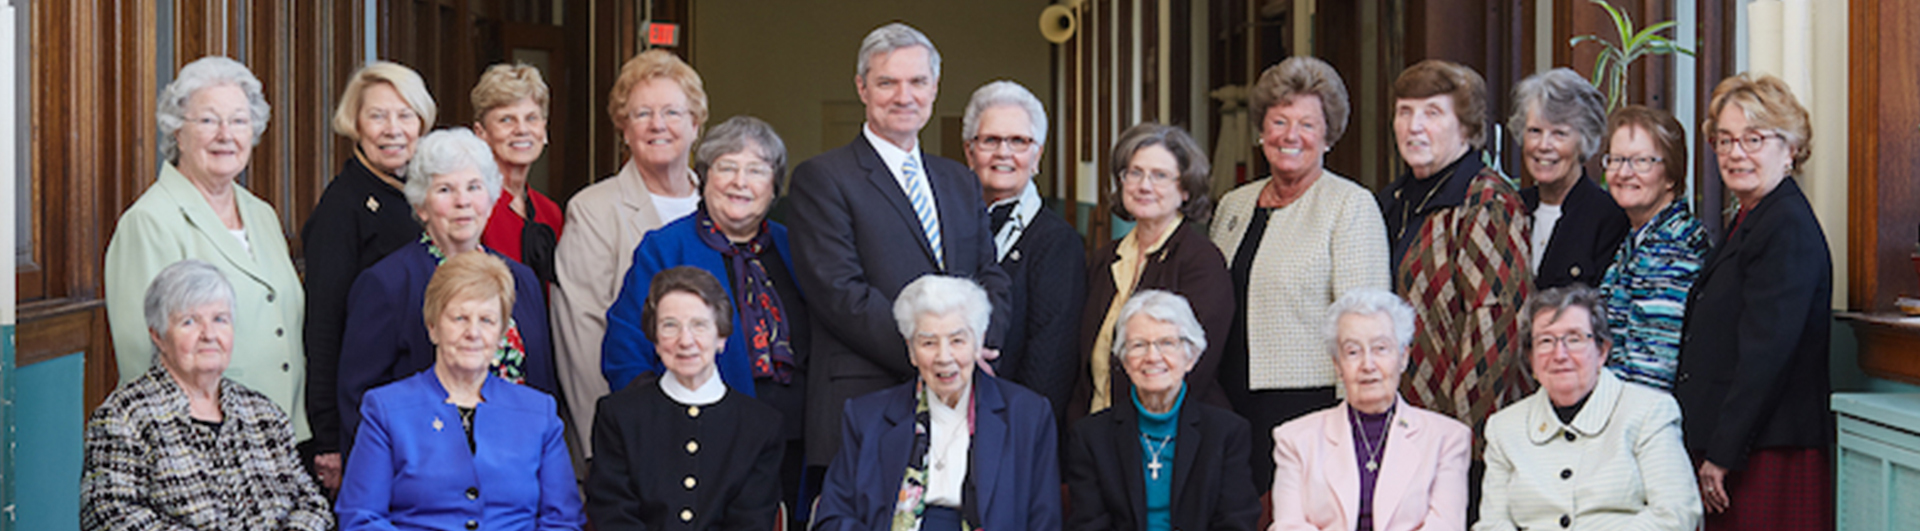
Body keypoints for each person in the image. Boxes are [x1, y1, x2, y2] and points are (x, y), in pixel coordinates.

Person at [788, 22, 1012, 468]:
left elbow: (991, 275)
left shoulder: (959, 180)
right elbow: (840, 293)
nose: (904, 96)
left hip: (961, 405)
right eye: (887, 82)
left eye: (917, 82)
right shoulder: (822, 179)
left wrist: (972, 348)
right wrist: (937, 354)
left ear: (934, 88)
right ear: (862, 88)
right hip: (868, 401)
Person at [600, 115, 810, 518]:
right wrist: (668, 424)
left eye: (756, 170)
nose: (740, 182)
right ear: (704, 177)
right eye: (726, 168)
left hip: (792, 442)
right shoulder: (665, 247)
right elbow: (626, 350)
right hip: (698, 442)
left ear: (774, 184)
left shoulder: (795, 248)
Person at [104, 54, 309, 444]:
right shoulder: (149, 222)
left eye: (238, 121)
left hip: (278, 435)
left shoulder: (261, 214)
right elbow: (141, 354)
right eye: (209, 120)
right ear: (177, 132)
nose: (225, 134)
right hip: (201, 442)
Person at [1209, 56, 1389, 488]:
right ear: (1261, 131)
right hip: (1229, 402)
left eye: (1307, 124)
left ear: (1328, 136)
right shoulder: (1234, 205)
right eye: (1279, 121)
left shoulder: (1350, 206)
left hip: (1311, 404)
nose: (1291, 136)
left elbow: (1363, 325)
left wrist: (1358, 417)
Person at [336, 129, 555, 458]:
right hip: (424, 478)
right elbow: (360, 401)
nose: (463, 201)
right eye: (445, 189)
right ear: (422, 206)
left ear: (491, 197)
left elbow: (543, 390)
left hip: (519, 471)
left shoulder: (521, 280)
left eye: (473, 187)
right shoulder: (386, 284)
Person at [1678, 73, 1833, 531]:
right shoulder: (1753, 216)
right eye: (1724, 140)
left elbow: (1766, 356)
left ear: (1790, 149)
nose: (1735, 152)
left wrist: (1722, 454)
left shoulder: (1784, 226)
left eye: (1753, 138)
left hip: (1764, 452)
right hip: (1745, 446)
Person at [335, 252, 584, 530]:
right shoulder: (385, 409)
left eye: (487, 320)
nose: (473, 333)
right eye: (459, 318)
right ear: (433, 327)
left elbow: (562, 521)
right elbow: (361, 518)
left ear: (502, 333)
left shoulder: (540, 413)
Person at [83, 260, 331, 530]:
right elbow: (109, 517)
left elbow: (313, 506)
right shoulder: (123, 418)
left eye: (220, 319)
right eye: (189, 322)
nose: (209, 334)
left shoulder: (265, 414)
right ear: (158, 335)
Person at [550, 49, 708, 460]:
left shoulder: (721, 204)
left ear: (695, 125)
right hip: (637, 437)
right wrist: (605, 449)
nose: (658, 125)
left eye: (672, 112)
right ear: (623, 128)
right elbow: (582, 344)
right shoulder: (593, 210)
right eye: (641, 114)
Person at [813, 275, 1061, 530]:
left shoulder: (1027, 415)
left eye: (957, 340)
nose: (944, 357)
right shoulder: (867, 417)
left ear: (979, 342)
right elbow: (832, 519)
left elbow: (1044, 522)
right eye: (928, 343)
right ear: (910, 350)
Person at [1377, 59, 1532, 440]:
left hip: (1455, 437)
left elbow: (1494, 334)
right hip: (1395, 424)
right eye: (1404, 112)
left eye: (1432, 113)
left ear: (1466, 126)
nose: (1414, 126)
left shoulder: (1486, 202)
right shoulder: (1391, 201)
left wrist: (1461, 441)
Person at [301, 60, 436, 489]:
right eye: (377, 116)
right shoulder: (342, 208)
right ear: (354, 124)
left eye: (405, 115)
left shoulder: (418, 195)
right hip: (364, 418)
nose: (393, 129)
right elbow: (322, 327)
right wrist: (328, 439)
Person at [1476, 285, 1700, 531]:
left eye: (1574, 339)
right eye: (1546, 341)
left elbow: (1676, 515)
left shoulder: (1650, 411)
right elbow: (1492, 524)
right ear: (1531, 359)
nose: (1560, 354)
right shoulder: (1504, 427)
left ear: (1602, 351)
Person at [587, 267, 785, 530]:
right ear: (655, 340)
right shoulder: (619, 415)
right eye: (670, 326)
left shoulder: (761, 425)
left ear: (722, 336)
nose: (685, 341)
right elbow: (613, 514)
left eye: (699, 325)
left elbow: (750, 522)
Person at [1269, 288, 1471, 531]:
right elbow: (1288, 526)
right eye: (1353, 352)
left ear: (1403, 357)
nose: (1368, 365)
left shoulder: (1447, 438)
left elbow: (1445, 526)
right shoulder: (1295, 439)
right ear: (1338, 365)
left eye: (1381, 349)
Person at [1074, 122, 1231, 422]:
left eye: (1160, 176)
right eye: (1134, 173)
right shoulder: (1106, 258)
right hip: (1098, 432)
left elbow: (1195, 366)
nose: (1144, 186)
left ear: (1185, 189)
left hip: (1165, 435)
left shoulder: (1201, 262)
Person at [1065, 290, 1260, 531]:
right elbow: (1089, 525)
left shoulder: (1227, 433)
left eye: (1167, 343)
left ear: (1190, 357)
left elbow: (1236, 522)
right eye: (1138, 345)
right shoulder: (1090, 436)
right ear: (1125, 361)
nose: (1152, 357)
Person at [963, 80, 1086, 424]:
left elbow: (1052, 359)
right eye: (990, 140)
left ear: (1037, 156)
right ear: (969, 152)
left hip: (1015, 424)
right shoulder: (949, 228)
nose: (1004, 152)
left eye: (1018, 141)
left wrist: (1019, 429)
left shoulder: (1058, 242)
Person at [1596, 106, 1708, 391]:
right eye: (1617, 159)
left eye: (1641, 161)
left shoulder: (1672, 249)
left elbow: (1650, 373)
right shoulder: (1639, 236)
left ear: (1671, 175)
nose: (1624, 172)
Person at [1508, 68, 1630, 290]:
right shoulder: (1509, 208)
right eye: (1535, 131)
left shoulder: (1609, 218)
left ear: (1584, 140)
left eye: (1559, 134)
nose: (1543, 146)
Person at [471, 62, 564, 285]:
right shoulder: (472, 205)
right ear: (481, 133)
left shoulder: (550, 213)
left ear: (544, 128)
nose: (522, 129)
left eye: (531, 118)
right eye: (506, 119)